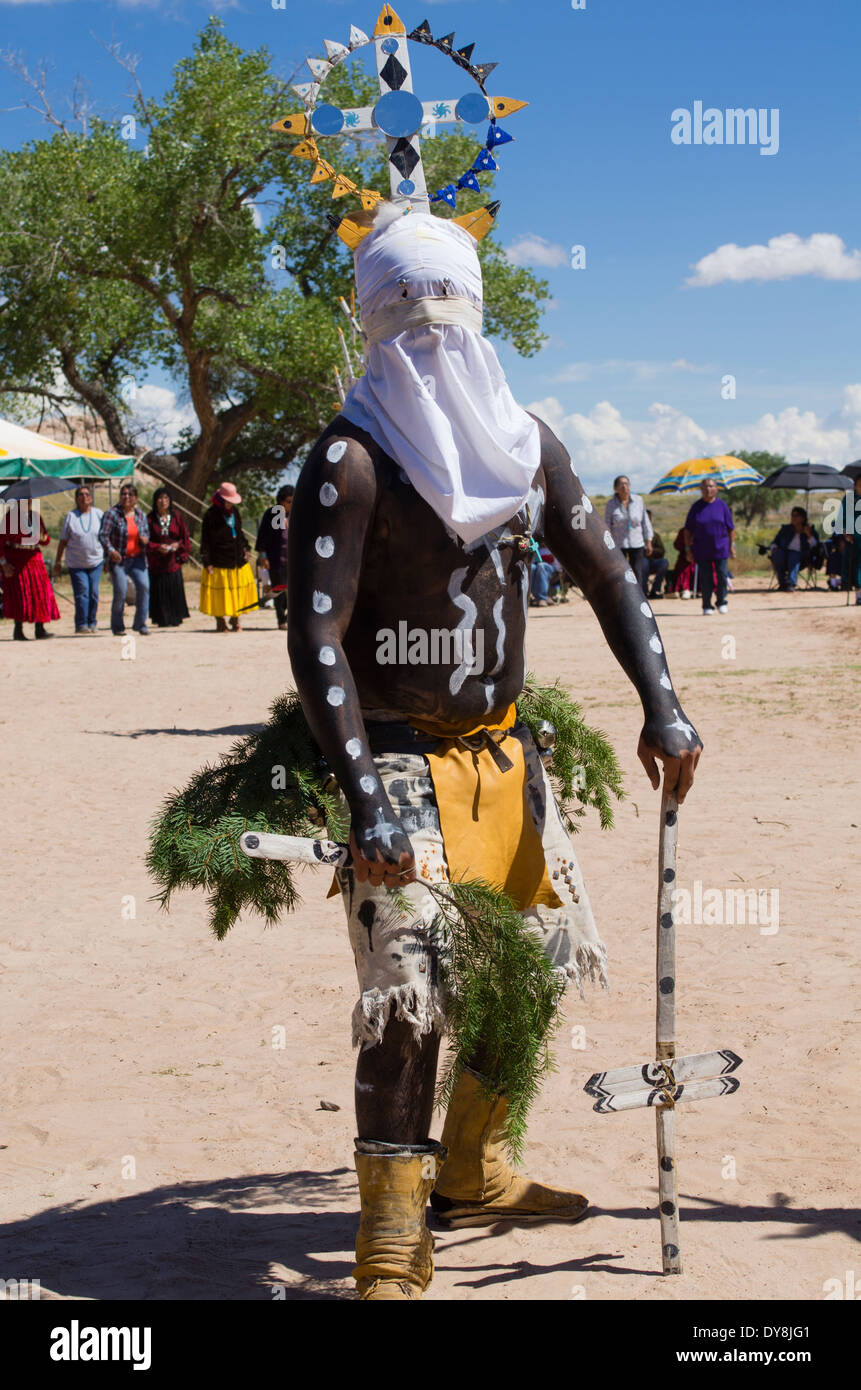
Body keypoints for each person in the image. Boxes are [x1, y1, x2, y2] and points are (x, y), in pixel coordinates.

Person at [287, 204, 701, 1301]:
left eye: (448, 327)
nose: (433, 352)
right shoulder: (350, 461)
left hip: (506, 760)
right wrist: (363, 792)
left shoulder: (527, 448)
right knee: (409, 991)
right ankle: (390, 1223)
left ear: (477, 326)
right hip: (400, 763)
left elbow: (611, 574)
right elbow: (317, 633)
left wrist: (662, 704)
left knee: (536, 967)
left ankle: (475, 1162)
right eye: (408, 328)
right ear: (375, 330)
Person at [199, 482, 256, 632]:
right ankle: (220, 621)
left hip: (237, 559)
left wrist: (246, 548)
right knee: (220, 594)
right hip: (219, 561)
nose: (231, 504)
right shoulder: (210, 515)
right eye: (229, 501)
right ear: (221, 500)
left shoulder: (235, 512)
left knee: (237, 592)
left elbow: (239, 532)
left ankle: (235, 618)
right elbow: (205, 540)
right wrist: (207, 561)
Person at [0, 501, 60, 640]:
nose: (27, 502)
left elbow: (45, 540)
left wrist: (43, 536)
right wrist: (3, 563)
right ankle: (18, 629)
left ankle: (40, 628)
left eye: (29, 499)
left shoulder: (35, 517)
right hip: (17, 559)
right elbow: (0, 542)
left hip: (34, 559)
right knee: (21, 594)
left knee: (40, 593)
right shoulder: (10, 518)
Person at [99, 483, 151, 636]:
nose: (126, 497)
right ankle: (117, 626)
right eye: (124, 494)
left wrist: (145, 539)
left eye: (130, 494)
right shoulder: (112, 514)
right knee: (121, 591)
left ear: (136, 498)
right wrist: (111, 551)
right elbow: (103, 535)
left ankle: (140, 623)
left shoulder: (141, 514)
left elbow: (146, 534)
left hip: (138, 558)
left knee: (144, 587)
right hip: (119, 559)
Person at [53, 485, 104, 633]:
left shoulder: (98, 514)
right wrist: (57, 561)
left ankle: (92, 622)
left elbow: (105, 537)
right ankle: (81, 624)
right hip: (76, 563)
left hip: (96, 561)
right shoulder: (71, 516)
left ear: (91, 498)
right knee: (82, 592)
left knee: (93, 593)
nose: (84, 497)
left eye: (86, 494)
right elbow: (63, 541)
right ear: (76, 499)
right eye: (80, 495)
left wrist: (108, 557)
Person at [683, 477, 735, 614]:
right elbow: (687, 529)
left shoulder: (722, 505)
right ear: (701, 489)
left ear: (716, 489)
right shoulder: (696, 507)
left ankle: (721, 602)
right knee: (706, 578)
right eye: (705, 487)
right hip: (702, 549)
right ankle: (707, 605)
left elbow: (731, 528)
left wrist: (732, 545)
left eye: (711, 486)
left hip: (721, 547)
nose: (708, 489)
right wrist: (688, 548)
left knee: (722, 576)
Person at [146, 487, 191, 627]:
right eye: (160, 498)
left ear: (170, 501)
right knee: (159, 589)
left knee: (174, 587)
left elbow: (184, 537)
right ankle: (161, 618)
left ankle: (176, 617)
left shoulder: (176, 516)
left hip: (173, 561)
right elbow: (145, 540)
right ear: (155, 501)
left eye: (166, 498)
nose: (163, 501)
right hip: (157, 562)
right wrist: (157, 547)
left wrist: (177, 545)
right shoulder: (150, 518)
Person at [604, 475, 653, 592]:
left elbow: (645, 522)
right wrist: (607, 545)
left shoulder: (638, 500)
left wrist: (649, 541)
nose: (624, 486)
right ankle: (622, 596)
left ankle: (639, 598)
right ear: (615, 488)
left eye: (626, 483)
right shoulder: (611, 504)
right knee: (620, 572)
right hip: (618, 544)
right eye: (621, 484)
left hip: (637, 543)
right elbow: (606, 525)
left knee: (637, 572)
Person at [255, 484, 293, 630]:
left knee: (294, 591)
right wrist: (263, 556)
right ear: (281, 501)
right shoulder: (274, 513)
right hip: (276, 559)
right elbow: (263, 537)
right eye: (289, 501)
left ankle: (291, 617)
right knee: (279, 591)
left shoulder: (295, 514)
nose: (291, 504)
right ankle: (281, 619)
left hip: (292, 560)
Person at [767, 507, 822, 591]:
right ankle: (782, 584)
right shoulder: (785, 529)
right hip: (784, 556)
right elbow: (774, 542)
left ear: (803, 518)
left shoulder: (810, 530)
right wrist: (774, 548)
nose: (793, 518)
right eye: (792, 515)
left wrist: (809, 535)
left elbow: (815, 546)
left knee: (794, 554)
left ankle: (791, 583)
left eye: (796, 516)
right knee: (778, 554)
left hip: (802, 558)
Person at [834, 476, 861, 602]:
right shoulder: (850, 499)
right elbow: (842, 518)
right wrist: (846, 533)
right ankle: (859, 594)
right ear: (855, 485)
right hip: (854, 538)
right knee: (855, 566)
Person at [645, 511, 669, 598]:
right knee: (643, 564)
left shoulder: (655, 535)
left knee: (664, 563)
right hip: (641, 562)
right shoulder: (636, 536)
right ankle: (643, 590)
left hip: (653, 561)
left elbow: (662, 551)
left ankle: (656, 589)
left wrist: (652, 551)